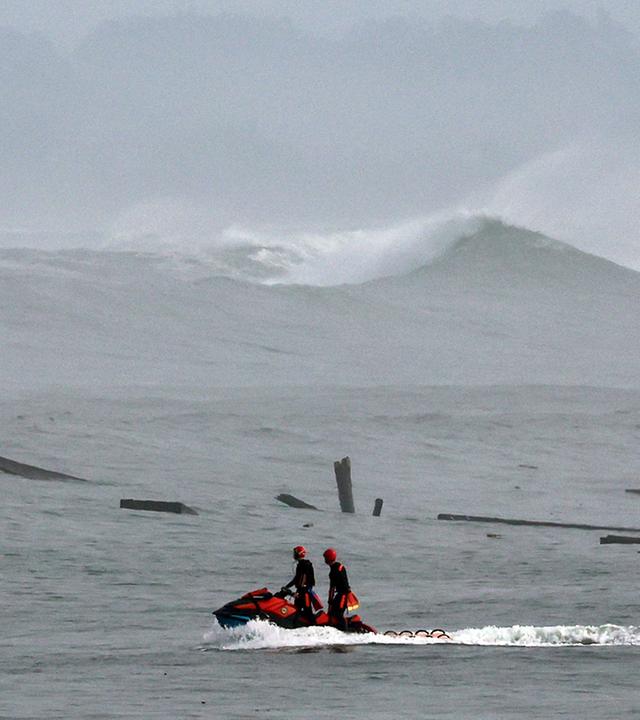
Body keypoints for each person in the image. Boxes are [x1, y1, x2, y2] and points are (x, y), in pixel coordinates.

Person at [282, 545, 316, 624]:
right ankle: (296, 625)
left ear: (298, 554)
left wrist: (299, 591)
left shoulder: (305, 565)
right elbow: (296, 579)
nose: (293, 555)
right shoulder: (300, 565)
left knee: (308, 612)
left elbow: (302, 580)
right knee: (296, 610)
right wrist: (286, 587)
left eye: (295, 553)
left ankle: (314, 627)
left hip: (305, 593)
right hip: (301, 592)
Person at [323, 547, 350, 630]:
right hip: (342, 594)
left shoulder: (333, 571)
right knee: (333, 613)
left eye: (325, 558)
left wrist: (330, 601)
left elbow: (332, 587)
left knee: (337, 614)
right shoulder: (340, 566)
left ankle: (344, 631)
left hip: (343, 595)